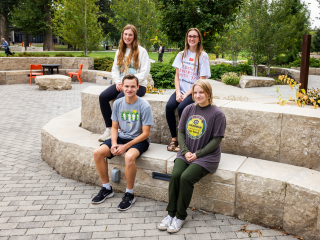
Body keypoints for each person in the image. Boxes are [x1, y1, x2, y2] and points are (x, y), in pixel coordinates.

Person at [158, 79, 226, 233]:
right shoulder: (188, 109)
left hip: (206, 156)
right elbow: (181, 131)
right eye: (195, 92)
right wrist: (185, 151)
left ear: (209, 93)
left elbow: (217, 139)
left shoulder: (217, 114)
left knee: (186, 177)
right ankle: (170, 214)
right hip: (187, 152)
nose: (198, 95)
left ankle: (180, 216)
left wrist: (197, 154)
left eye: (201, 92)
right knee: (175, 175)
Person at [92, 74, 154, 211]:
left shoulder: (144, 106)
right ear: (122, 87)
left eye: (133, 86)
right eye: (126, 86)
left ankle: (129, 194)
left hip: (139, 139)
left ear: (138, 87)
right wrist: (114, 143)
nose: (129, 89)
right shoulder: (118, 104)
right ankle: (107, 188)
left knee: (129, 156)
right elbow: (114, 127)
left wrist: (125, 146)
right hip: (121, 137)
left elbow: (145, 134)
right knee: (97, 152)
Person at [99, 24, 150, 142]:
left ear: (134, 36)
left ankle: (121, 130)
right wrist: (118, 82)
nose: (127, 37)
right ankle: (109, 128)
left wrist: (128, 85)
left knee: (119, 99)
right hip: (121, 84)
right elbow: (115, 70)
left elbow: (144, 72)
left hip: (138, 86)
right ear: (122, 36)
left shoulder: (141, 51)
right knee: (103, 97)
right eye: (125, 34)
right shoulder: (119, 51)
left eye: (130, 35)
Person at [166, 28, 211, 152]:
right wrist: (178, 91)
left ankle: (184, 141)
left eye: (195, 36)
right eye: (190, 36)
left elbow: (201, 80)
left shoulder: (203, 56)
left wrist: (185, 94)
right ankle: (174, 138)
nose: (192, 38)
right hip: (181, 90)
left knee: (182, 108)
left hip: (194, 92)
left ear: (199, 39)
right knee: (169, 106)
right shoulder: (181, 54)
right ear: (187, 38)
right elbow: (177, 76)